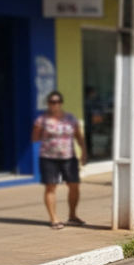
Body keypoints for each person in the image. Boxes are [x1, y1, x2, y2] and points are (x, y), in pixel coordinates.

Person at [32, 90, 87, 229]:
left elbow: (78, 136)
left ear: (61, 103)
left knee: (74, 185)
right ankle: (54, 219)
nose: (55, 104)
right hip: (48, 158)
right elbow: (35, 138)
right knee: (51, 186)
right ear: (48, 103)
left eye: (57, 101)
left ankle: (73, 216)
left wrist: (84, 152)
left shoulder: (70, 118)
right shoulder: (42, 120)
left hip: (69, 156)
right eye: (52, 102)